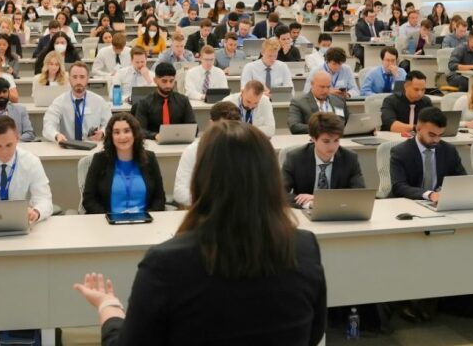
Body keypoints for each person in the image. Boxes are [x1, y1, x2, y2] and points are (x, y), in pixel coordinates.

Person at [74, 120, 326, 345]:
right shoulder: (305, 247)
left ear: (202, 177)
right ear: (271, 176)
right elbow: (313, 334)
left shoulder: (166, 264)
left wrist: (109, 308)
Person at [82, 113, 166, 214]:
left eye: (127, 131)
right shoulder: (100, 160)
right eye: (116, 132)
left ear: (135, 133)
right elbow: (88, 200)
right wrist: (108, 217)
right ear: (111, 137)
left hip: (143, 222)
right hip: (108, 223)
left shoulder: (150, 158)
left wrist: (147, 216)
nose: (122, 137)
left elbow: (159, 198)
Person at [282, 112, 366, 207]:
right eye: (326, 141)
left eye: (336, 140)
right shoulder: (295, 158)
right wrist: (310, 204)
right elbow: (279, 193)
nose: (332, 146)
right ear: (313, 138)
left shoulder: (350, 158)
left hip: (338, 212)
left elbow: (359, 193)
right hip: (306, 212)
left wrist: (318, 199)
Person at [390, 107, 467, 204]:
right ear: (418, 128)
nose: (436, 140)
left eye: (440, 135)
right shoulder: (401, 152)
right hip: (409, 203)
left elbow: (462, 179)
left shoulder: (449, 150)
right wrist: (429, 194)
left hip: (439, 203)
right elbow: (399, 187)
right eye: (431, 135)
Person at [172, 101, 241, 206]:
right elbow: (179, 192)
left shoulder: (245, 149)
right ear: (211, 124)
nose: (230, 132)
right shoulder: (193, 151)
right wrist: (210, 202)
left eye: (234, 127)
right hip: (204, 209)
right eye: (224, 127)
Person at [43, 62, 111, 142]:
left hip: (92, 145)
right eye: (74, 77)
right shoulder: (59, 101)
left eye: (82, 77)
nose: (78, 81)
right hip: (67, 147)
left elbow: (109, 123)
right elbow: (48, 125)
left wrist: (103, 132)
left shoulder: (99, 101)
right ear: (69, 79)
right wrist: (56, 135)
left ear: (88, 79)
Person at [131, 62, 196, 141]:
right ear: (155, 80)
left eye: (171, 81)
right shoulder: (144, 103)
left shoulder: (183, 101)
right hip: (153, 143)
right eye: (164, 81)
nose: (168, 85)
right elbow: (139, 130)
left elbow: (193, 128)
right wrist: (155, 136)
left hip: (179, 142)